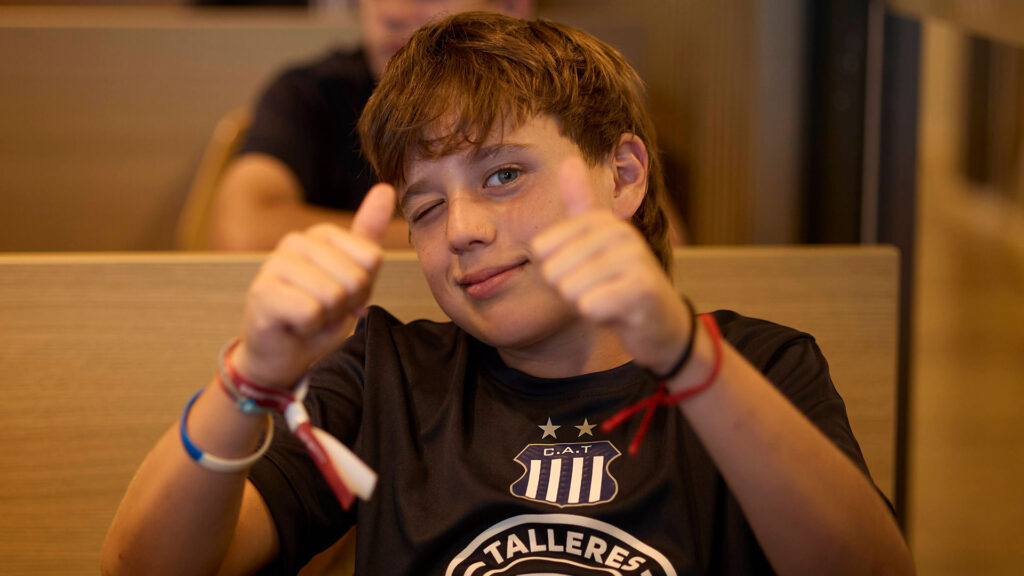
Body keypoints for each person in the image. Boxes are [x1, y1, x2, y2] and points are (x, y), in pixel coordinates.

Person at [102, 12, 915, 576]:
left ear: (622, 174)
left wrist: (683, 358)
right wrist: (252, 376)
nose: (461, 229)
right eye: (425, 207)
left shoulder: (759, 365)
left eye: (503, 175)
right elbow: (145, 567)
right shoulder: (387, 377)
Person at [207, 0, 536, 250]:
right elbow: (239, 231)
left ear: (512, 4)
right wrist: (441, 235)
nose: (392, 12)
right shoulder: (312, 92)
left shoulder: (552, 94)